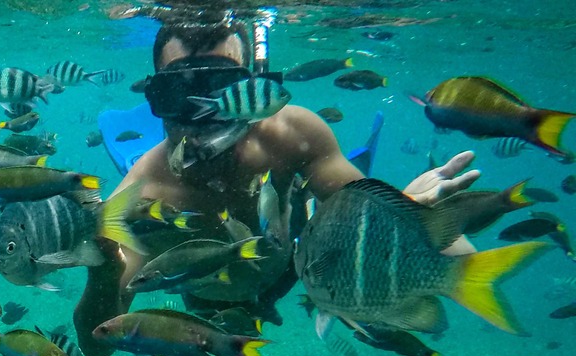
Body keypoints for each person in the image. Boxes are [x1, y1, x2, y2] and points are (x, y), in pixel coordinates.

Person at [106, 17, 480, 325]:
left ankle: (320, 200)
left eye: (224, 87)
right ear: (155, 96)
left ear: (252, 86)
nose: (205, 117)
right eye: (178, 92)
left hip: (290, 266)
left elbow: (463, 264)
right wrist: (101, 266)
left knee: (332, 213)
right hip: (203, 294)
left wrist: (409, 214)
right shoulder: (142, 197)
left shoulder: (291, 135)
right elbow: (98, 339)